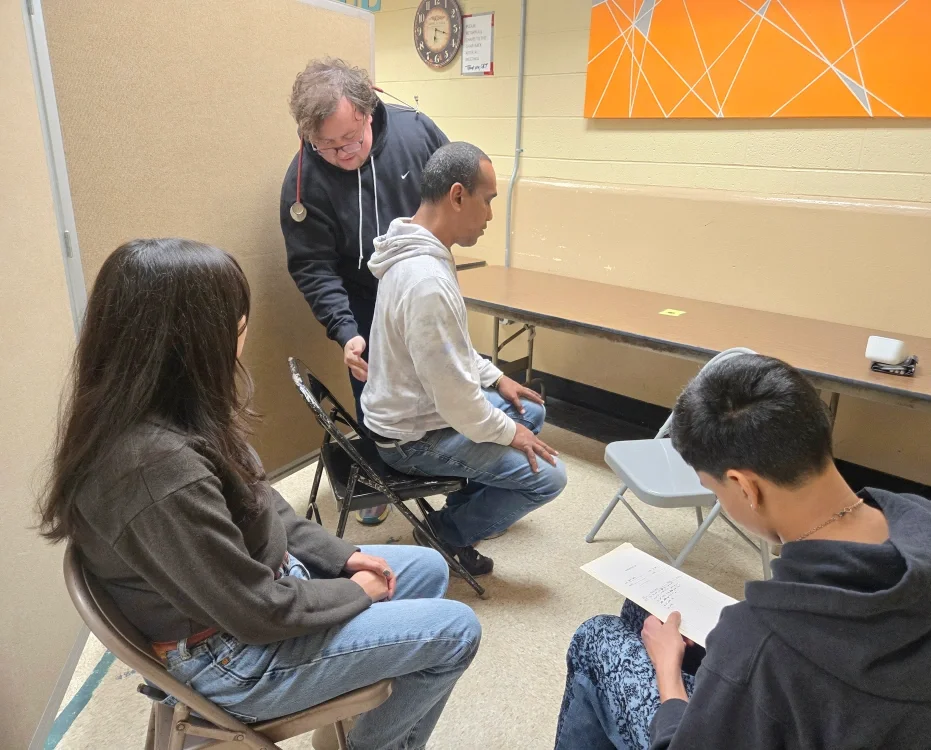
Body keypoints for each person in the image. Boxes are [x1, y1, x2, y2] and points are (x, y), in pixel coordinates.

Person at [39, 238, 480, 750]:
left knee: (428, 569)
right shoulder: (155, 469)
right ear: (193, 341)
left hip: (253, 598)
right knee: (455, 630)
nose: (242, 336)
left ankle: (351, 713)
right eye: (238, 325)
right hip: (232, 658)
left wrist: (345, 556)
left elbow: (262, 504)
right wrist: (356, 590)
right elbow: (255, 610)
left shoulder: (171, 412)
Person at [555, 354, 931, 750]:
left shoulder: (761, 645)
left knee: (598, 636)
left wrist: (668, 673)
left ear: (745, 487)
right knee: (642, 611)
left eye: (712, 488)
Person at [360, 142, 568, 577]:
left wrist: (496, 378)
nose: (491, 215)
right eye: (488, 200)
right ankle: (446, 532)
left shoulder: (417, 248)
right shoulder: (426, 282)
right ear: (458, 195)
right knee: (549, 477)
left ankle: (464, 504)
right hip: (413, 438)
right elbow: (459, 404)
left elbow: (451, 350)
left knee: (527, 408)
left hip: (419, 413)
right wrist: (511, 434)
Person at [280, 57, 448, 525]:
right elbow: (313, 266)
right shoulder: (304, 180)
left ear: (368, 110)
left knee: (444, 376)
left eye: (350, 139)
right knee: (374, 390)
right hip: (364, 299)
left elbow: (457, 193)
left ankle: (463, 476)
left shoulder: (418, 135)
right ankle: (381, 479)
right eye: (326, 145)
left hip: (422, 283)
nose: (342, 154)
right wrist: (346, 330)